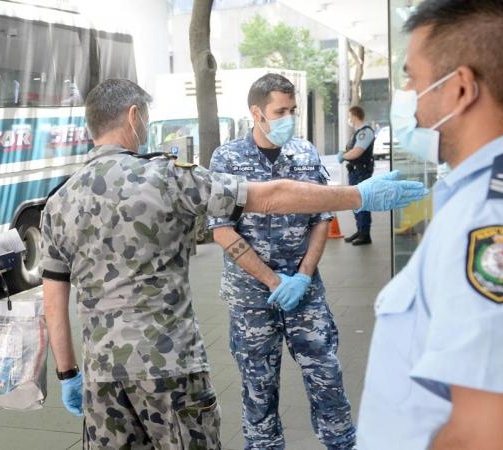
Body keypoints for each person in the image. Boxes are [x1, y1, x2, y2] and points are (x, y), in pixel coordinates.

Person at [40, 78, 426, 449]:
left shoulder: (58, 202)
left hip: (103, 376)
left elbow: (53, 298)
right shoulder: (166, 178)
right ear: (133, 115)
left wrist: (67, 373)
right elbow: (270, 197)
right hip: (172, 366)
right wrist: (357, 195)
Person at [357, 1, 503, 448]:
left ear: (460, 89)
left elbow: (487, 434)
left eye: (412, 79)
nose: (407, 95)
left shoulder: (491, 220)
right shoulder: (481, 198)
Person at [209, 73, 355, 450]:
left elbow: (322, 217)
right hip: (252, 299)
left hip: (305, 294)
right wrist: (274, 281)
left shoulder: (304, 154)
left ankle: (341, 443)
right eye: (280, 111)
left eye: (293, 110)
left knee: (327, 377)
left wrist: (303, 277)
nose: (289, 118)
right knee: (258, 387)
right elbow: (222, 230)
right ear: (256, 113)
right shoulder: (227, 158)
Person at [338, 105, 376, 245]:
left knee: (361, 202)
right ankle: (360, 230)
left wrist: (344, 156)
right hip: (355, 171)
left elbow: (357, 151)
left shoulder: (365, 132)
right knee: (356, 202)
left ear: (354, 116)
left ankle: (365, 234)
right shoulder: (358, 132)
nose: (348, 119)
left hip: (361, 172)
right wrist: (345, 154)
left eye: (349, 116)